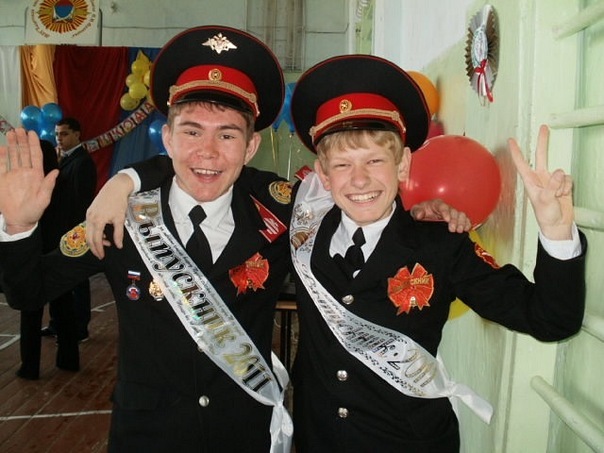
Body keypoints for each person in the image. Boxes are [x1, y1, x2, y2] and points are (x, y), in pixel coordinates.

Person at [0, 25, 296, 453]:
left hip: (241, 433)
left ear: (250, 147)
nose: (208, 151)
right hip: (147, 436)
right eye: (191, 132)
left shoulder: (280, 211)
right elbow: (28, 292)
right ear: (168, 139)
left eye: (227, 135)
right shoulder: (120, 216)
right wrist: (18, 227)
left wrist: (128, 175)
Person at [282, 54, 586, 452]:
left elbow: (550, 320)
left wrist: (557, 231)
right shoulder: (301, 235)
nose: (359, 180)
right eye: (342, 165)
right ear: (323, 174)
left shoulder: (441, 244)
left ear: (403, 164)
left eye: (375, 160)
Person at [41, 117, 96, 345]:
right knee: (58, 280)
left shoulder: (82, 162)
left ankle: (80, 328)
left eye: (64, 134)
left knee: (77, 282)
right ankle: (57, 324)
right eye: (57, 134)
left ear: (77, 134)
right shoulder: (62, 159)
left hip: (73, 233)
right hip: (58, 231)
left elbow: (80, 202)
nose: (59, 138)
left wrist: (73, 234)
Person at [16, 139, 59, 379]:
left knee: (30, 311)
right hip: (56, 251)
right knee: (61, 305)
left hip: (36, 253)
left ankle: (30, 366)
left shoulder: (34, 185)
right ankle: (68, 359)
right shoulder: (60, 178)